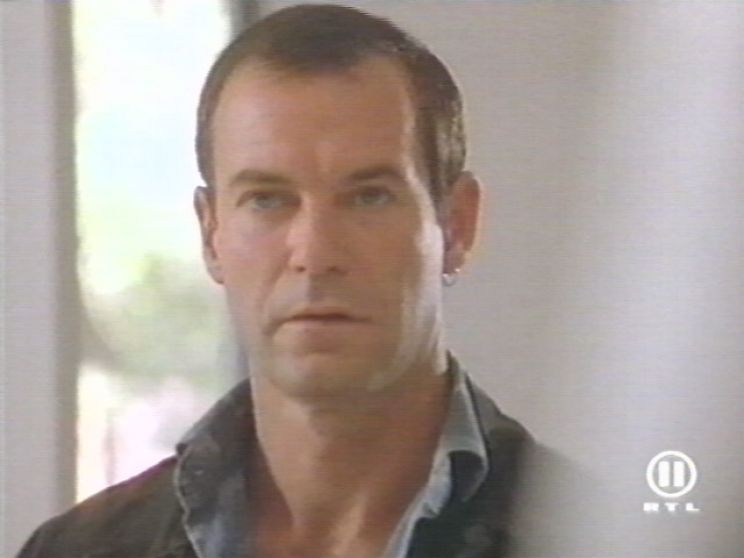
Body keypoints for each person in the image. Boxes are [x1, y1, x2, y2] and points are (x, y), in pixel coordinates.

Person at [18, 5, 551, 557]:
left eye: (369, 197)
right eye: (267, 200)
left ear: (457, 225)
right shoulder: (81, 550)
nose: (315, 253)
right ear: (211, 234)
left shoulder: (587, 534)